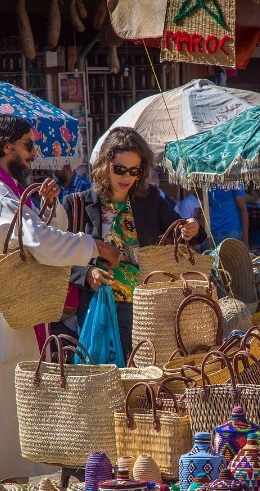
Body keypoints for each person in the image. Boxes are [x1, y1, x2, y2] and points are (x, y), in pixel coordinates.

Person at [0, 115, 121, 485]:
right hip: (8, 315)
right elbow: (39, 243)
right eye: (29, 146)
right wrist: (93, 245)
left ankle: (13, 485)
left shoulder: (10, 192)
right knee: (8, 402)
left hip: (20, 312)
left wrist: (51, 207)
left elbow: (43, 232)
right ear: (7, 149)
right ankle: (2, 488)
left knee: (19, 399)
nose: (34, 155)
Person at [63, 126, 205, 360]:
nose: (126, 177)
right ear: (104, 165)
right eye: (119, 169)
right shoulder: (76, 204)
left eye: (134, 170)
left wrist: (193, 228)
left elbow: (181, 230)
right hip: (99, 308)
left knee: (143, 379)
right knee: (105, 380)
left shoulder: (149, 198)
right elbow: (58, 257)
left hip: (147, 310)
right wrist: (87, 273)